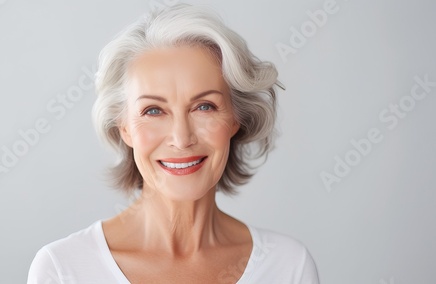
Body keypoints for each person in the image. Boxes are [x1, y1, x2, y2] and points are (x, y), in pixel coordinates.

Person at [27, 3, 319, 283]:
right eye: (153, 111)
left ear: (235, 119)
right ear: (124, 128)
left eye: (204, 106)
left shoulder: (287, 265)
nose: (182, 139)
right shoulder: (62, 269)